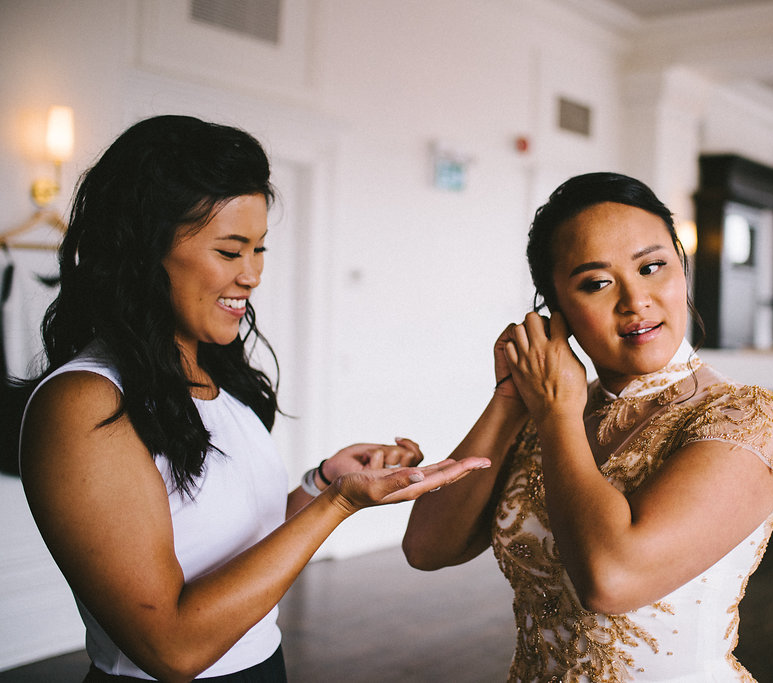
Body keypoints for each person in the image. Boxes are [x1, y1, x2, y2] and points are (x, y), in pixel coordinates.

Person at [18, 114, 489, 683]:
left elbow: (229, 546)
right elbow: (172, 648)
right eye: (230, 250)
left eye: (259, 249)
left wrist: (321, 485)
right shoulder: (84, 403)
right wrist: (340, 507)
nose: (252, 275)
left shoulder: (213, 371)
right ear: (143, 251)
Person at [403, 172, 773, 681]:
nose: (636, 300)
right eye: (596, 283)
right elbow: (428, 548)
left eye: (653, 267)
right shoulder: (549, 412)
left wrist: (555, 414)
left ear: (682, 267)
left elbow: (612, 581)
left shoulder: (747, 418)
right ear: (554, 310)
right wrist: (509, 400)